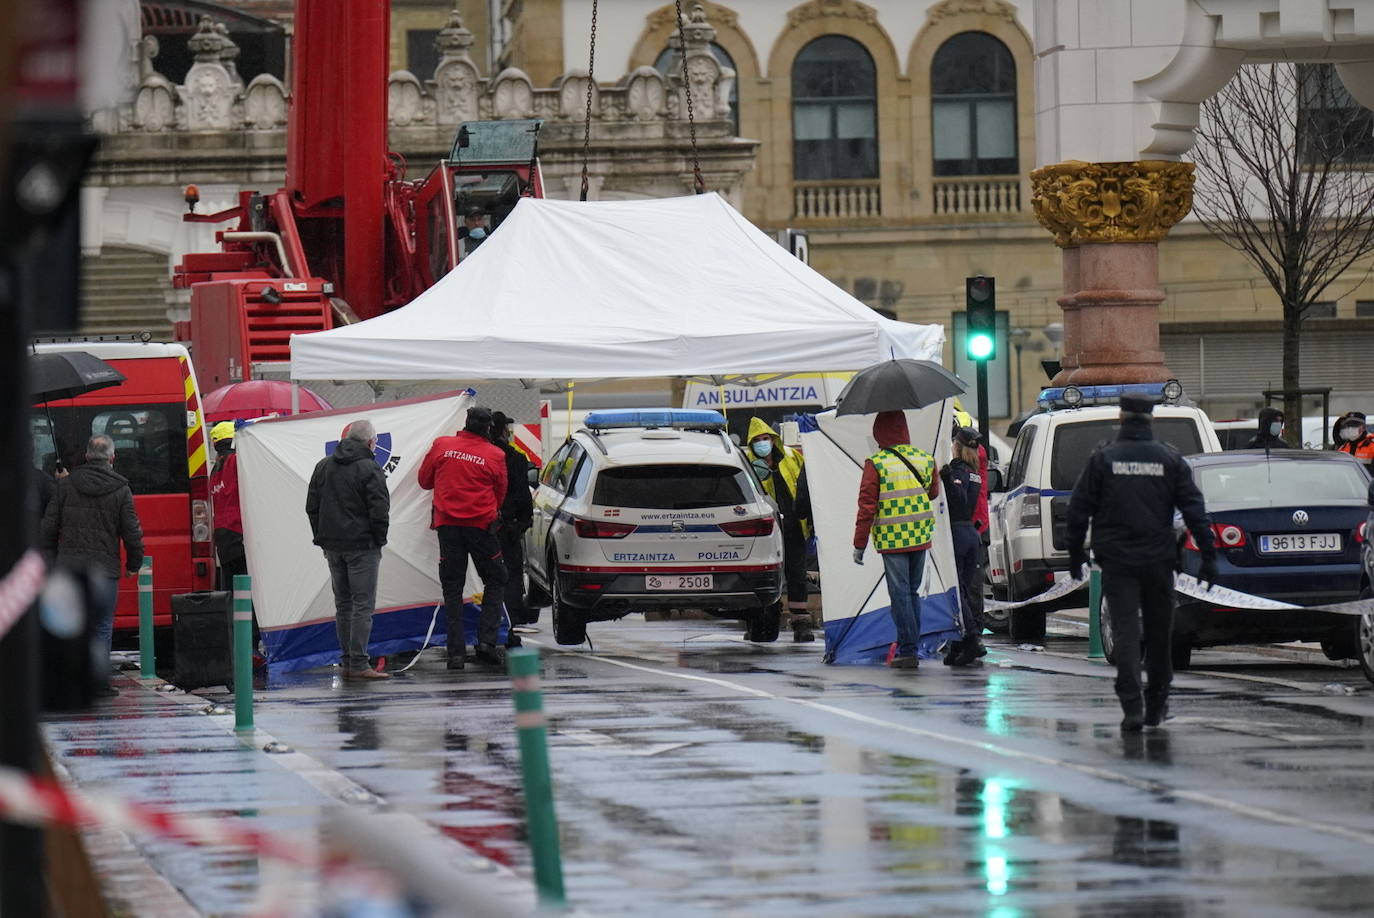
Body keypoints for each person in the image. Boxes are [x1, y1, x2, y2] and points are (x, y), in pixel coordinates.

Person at [1065, 395, 1217, 733]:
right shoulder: (1169, 458)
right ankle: (1157, 703)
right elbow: (1195, 509)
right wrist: (1208, 555)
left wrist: (1075, 554)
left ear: (1121, 417)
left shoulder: (1103, 459)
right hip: (1159, 560)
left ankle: (1132, 706)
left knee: (1126, 632)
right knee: (1160, 635)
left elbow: (1078, 509)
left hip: (1117, 562)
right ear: (1151, 419)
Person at [41, 435, 144, 697]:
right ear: (112, 458)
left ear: (86, 457)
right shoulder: (121, 489)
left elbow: (48, 528)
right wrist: (134, 564)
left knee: (68, 624)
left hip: (69, 568)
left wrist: (50, 561)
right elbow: (132, 533)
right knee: (101, 626)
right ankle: (98, 683)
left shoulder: (66, 485)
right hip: (105, 570)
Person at [418, 406, 509, 670]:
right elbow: (499, 493)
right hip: (481, 527)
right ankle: (486, 642)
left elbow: (424, 481)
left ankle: (455, 653)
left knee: (452, 588)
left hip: (448, 527)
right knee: (496, 578)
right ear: (489, 428)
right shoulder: (495, 454)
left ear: (466, 422)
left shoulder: (442, 445)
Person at [852, 411, 940, 669]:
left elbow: (866, 505)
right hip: (921, 535)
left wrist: (859, 544)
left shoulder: (876, 463)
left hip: (893, 539)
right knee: (912, 593)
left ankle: (908, 649)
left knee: (900, 594)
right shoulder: (924, 458)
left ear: (879, 432)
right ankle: (910, 645)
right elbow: (933, 493)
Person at [306, 419, 392, 680]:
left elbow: (312, 506)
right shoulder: (370, 468)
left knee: (343, 604)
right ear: (370, 442)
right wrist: (379, 539)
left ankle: (346, 660)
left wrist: (321, 537)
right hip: (362, 546)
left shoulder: (323, 466)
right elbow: (380, 510)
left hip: (333, 546)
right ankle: (359, 663)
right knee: (362, 605)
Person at [746, 417, 814, 642]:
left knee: (796, 573)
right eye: (757, 440)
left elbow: (805, 485)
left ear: (773, 440)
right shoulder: (747, 462)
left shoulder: (791, 457)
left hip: (794, 524)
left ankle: (801, 622)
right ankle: (761, 620)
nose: (762, 443)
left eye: (765, 439)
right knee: (765, 575)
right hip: (766, 528)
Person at [939, 426, 987, 666]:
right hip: (970, 533)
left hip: (958, 532)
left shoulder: (960, 471)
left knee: (957, 591)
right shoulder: (975, 472)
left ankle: (972, 638)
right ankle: (957, 646)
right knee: (964, 591)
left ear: (957, 446)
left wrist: (947, 479)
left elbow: (958, 498)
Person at [490, 411, 535, 646]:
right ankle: (507, 625)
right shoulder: (513, 457)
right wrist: (524, 520)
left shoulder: (473, 454)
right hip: (506, 526)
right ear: (502, 430)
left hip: (477, 526)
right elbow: (521, 492)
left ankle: (484, 629)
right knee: (509, 575)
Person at [209, 421, 247, 591]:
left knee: (230, 584)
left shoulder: (215, 470)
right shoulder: (238, 461)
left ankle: (234, 616)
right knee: (245, 585)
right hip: (238, 532)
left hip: (222, 534)